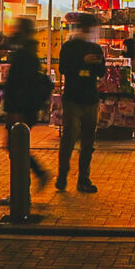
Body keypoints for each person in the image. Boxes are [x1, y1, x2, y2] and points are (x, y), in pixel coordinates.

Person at [56, 14, 105, 193]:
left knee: (85, 141)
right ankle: (66, 175)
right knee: (73, 138)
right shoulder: (70, 47)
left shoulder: (94, 48)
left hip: (87, 97)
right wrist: (83, 62)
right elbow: (63, 68)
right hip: (75, 98)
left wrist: (97, 63)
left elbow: (102, 72)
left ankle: (80, 178)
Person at [3, 18, 53, 189]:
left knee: (16, 147)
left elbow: (21, 84)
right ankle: (25, 187)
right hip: (22, 108)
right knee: (16, 147)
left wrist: (16, 109)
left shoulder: (25, 55)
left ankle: (25, 187)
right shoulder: (27, 52)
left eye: (18, 29)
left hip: (21, 109)